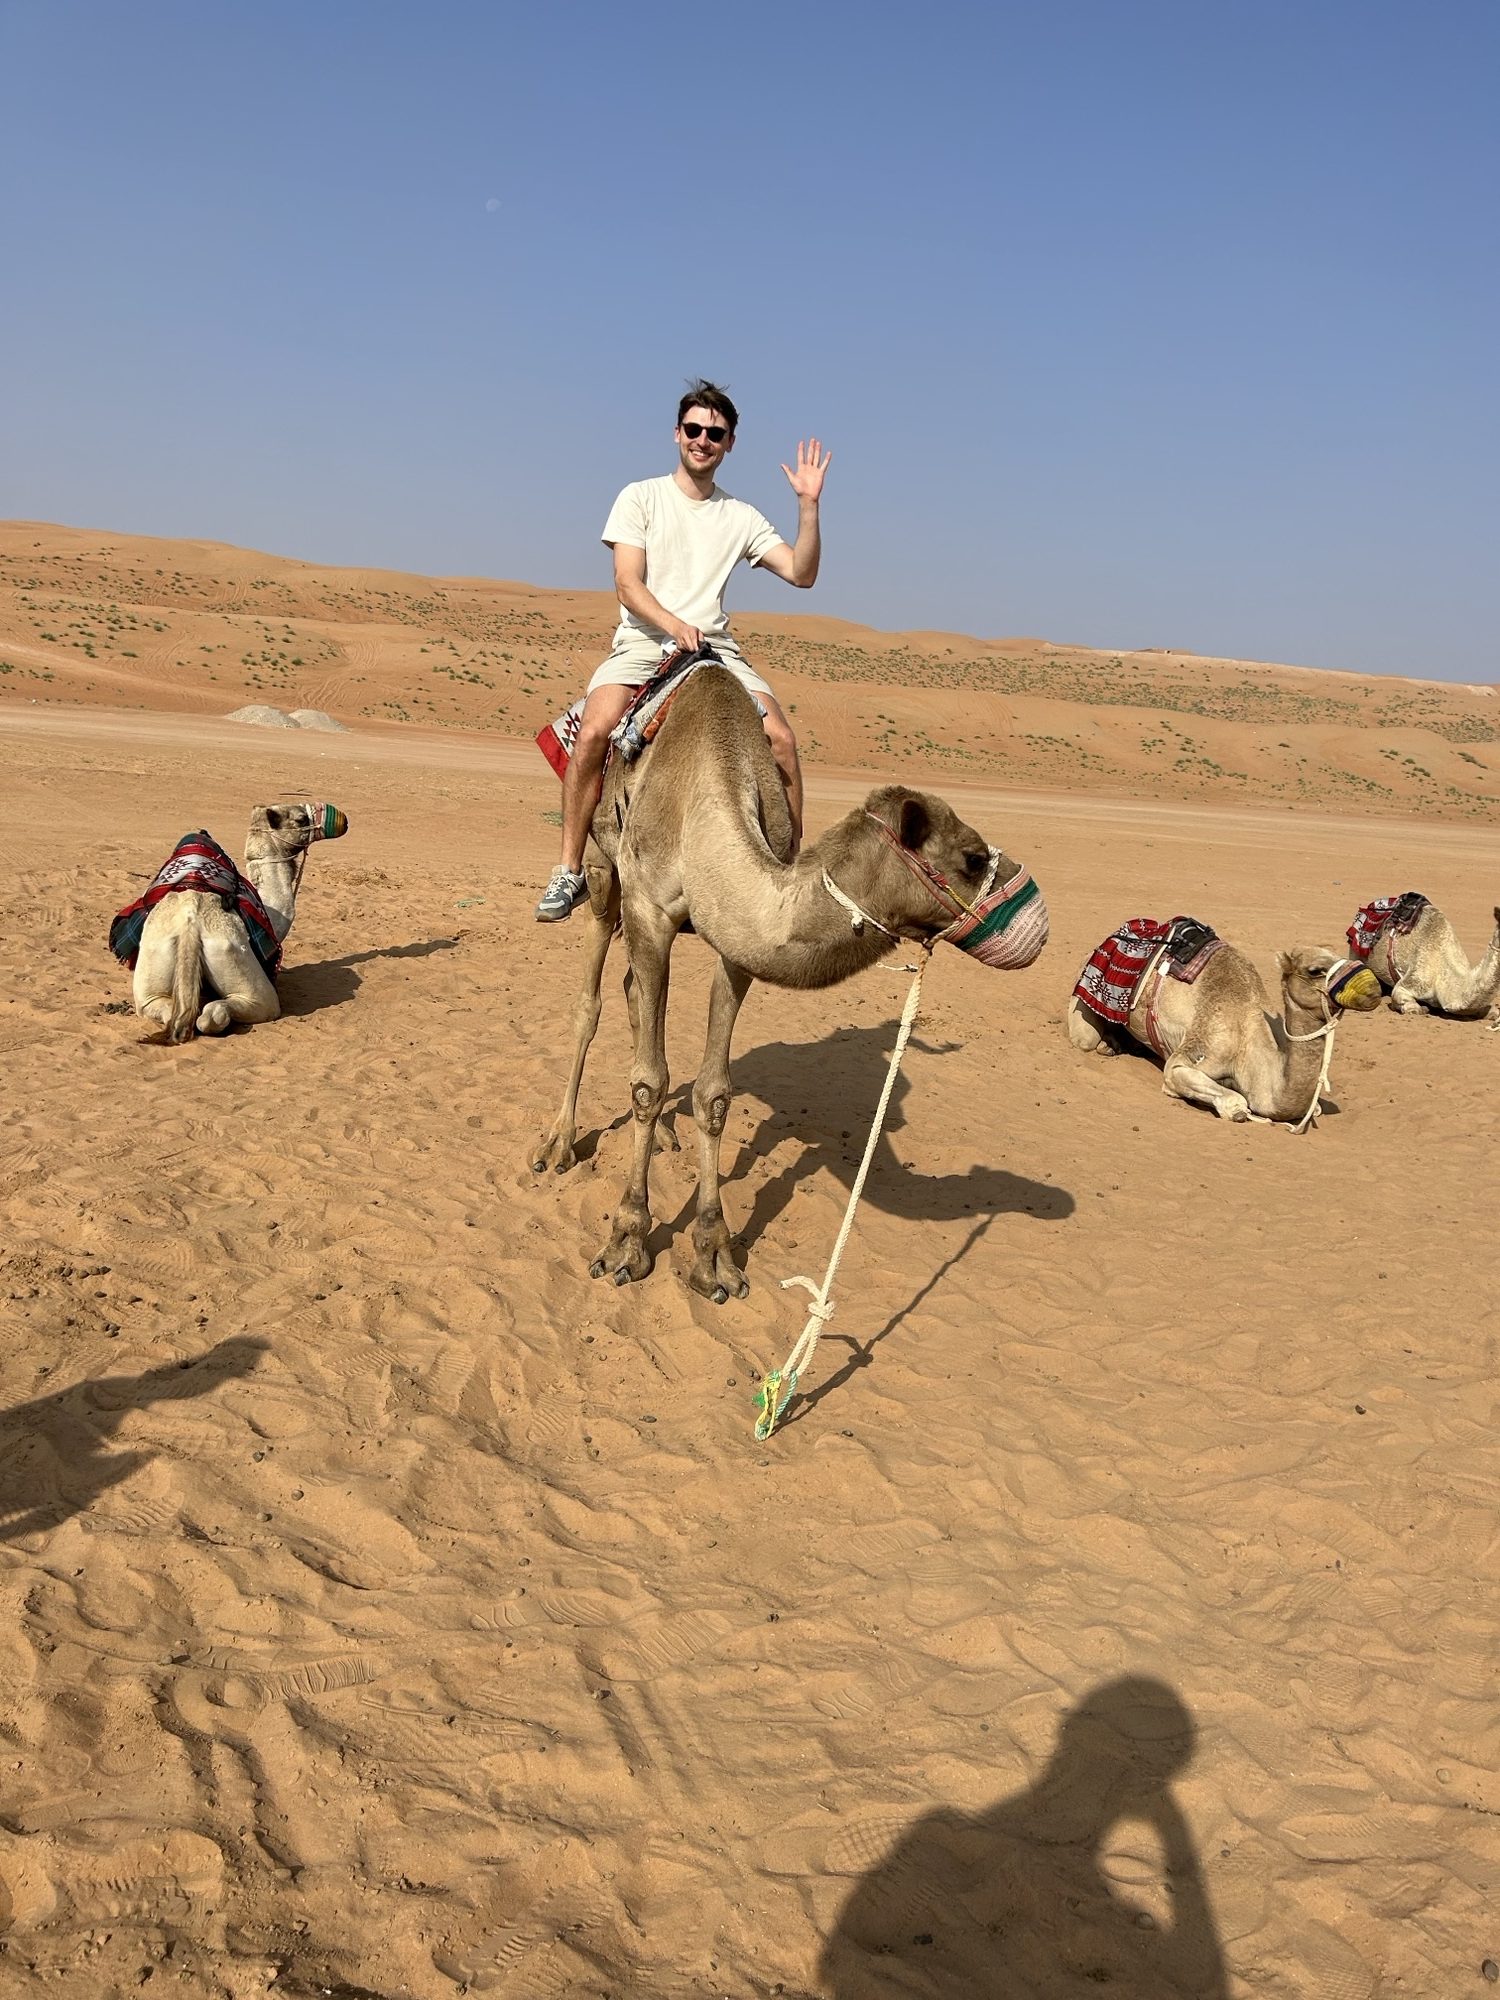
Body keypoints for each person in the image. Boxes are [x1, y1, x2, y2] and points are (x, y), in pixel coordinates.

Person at [534, 379, 832, 921]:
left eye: (715, 434)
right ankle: (569, 868)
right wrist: (674, 625)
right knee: (595, 731)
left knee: (783, 740)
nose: (702, 440)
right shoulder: (640, 497)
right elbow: (627, 583)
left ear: (730, 443)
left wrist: (808, 507)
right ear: (677, 433)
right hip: (644, 643)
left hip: (714, 650)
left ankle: (787, 876)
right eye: (694, 429)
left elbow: (801, 573)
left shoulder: (740, 516)